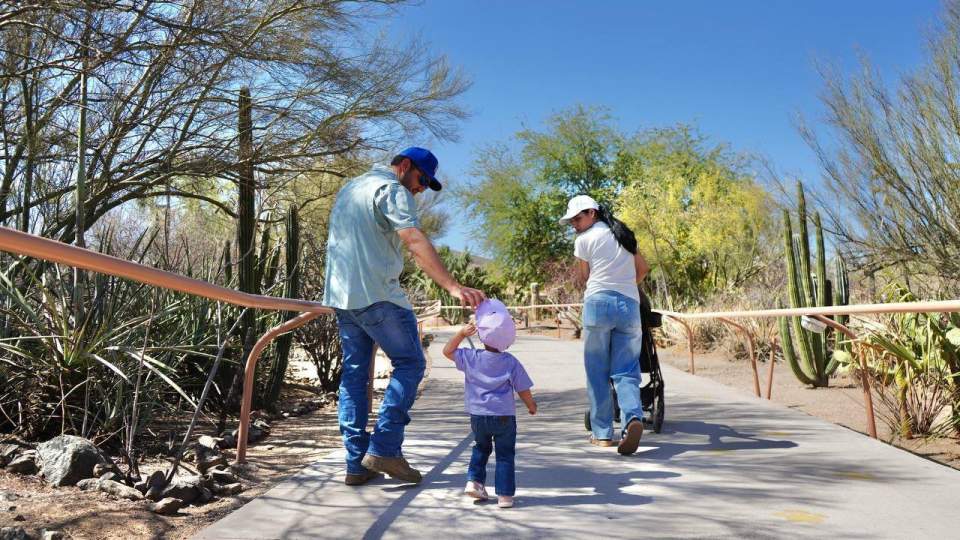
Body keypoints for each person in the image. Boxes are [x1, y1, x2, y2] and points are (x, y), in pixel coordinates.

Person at [323, 147, 486, 486]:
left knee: (354, 378)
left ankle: (356, 463)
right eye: (422, 180)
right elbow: (412, 238)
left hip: (343, 298)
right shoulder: (391, 189)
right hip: (379, 297)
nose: (421, 189)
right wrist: (453, 286)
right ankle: (384, 447)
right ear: (406, 166)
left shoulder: (351, 187)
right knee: (410, 364)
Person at [559, 194, 651, 455]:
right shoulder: (623, 235)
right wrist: (623, 286)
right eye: (571, 221)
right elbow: (643, 269)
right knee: (626, 370)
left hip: (598, 304)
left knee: (597, 370)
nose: (574, 224)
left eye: (577, 218)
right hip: (629, 306)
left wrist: (603, 287)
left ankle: (602, 434)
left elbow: (583, 278)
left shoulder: (584, 240)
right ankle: (632, 418)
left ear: (592, 213)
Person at [442, 299, 536, 509]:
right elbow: (522, 388)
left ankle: (474, 482)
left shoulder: (470, 357)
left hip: (478, 416)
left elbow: (447, 351)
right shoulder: (510, 361)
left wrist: (460, 334)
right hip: (504, 416)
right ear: (508, 340)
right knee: (505, 455)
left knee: (481, 449)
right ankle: (504, 496)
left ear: (481, 335)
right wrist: (531, 405)